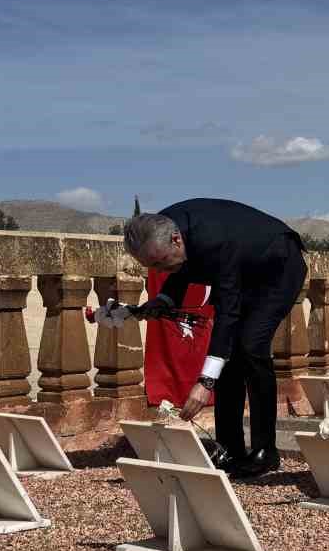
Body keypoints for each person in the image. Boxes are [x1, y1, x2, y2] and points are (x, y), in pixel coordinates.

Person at [121, 199, 307, 478]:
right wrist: (163, 299)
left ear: (176, 239)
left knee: (250, 346)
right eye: (151, 266)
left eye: (159, 263)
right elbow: (179, 268)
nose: (159, 271)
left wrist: (205, 381)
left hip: (277, 268)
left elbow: (227, 313)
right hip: (241, 270)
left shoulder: (213, 240)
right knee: (229, 359)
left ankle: (265, 451)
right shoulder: (163, 229)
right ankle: (229, 448)